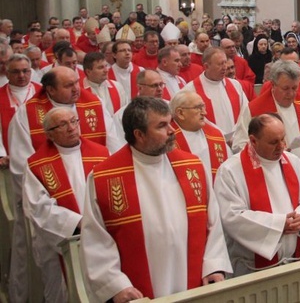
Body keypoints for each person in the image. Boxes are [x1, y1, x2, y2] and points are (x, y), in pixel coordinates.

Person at [80, 97, 232, 300]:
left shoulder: (192, 166)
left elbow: (213, 223)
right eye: (162, 126)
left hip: (195, 282)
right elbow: (96, 240)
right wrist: (115, 285)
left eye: (170, 122)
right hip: (138, 292)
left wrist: (213, 266)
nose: (172, 131)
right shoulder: (104, 177)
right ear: (139, 134)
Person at [6, 67, 114, 303]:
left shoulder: (93, 106)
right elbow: (22, 171)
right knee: (63, 289)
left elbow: (115, 156)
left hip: (103, 229)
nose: (77, 88)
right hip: (60, 234)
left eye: (77, 82)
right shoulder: (27, 116)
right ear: (50, 89)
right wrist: (77, 222)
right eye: (68, 85)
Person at [214, 113, 300, 274]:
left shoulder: (293, 161)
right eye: (273, 142)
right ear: (253, 140)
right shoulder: (230, 171)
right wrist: (279, 224)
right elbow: (232, 217)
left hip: (292, 260)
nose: (282, 146)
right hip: (251, 269)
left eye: (283, 139)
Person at [23, 107, 110, 303]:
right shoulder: (37, 164)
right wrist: (79, 222)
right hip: (65, 240)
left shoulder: (101, 153)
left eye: (74, 121)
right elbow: (39, 207)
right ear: (49, 134)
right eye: (63, 124)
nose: (71, 128)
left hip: (101, 235)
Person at [248, 60, 300, 173]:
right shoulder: (254, 110)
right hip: (271, 172)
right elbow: (240, 145)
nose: (291, 93)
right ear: (273, 85)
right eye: (285, 88)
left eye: (294, 88)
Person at [182, 47, 251, 152]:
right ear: (206, 66)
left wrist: (237, 136)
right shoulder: (191, 90)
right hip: (208, 145)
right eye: (220, 64)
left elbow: (245, 112)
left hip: (237, 142)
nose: (225, 67)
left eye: (225, 62)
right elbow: (195, 119)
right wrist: (221, 137)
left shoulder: (235, 85)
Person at [169, 91, 230, 182]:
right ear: (180, 113)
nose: (204, 113)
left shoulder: (216, 135)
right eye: (198, 108)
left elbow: (228, 168)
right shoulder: (168, 140)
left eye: (203, 106)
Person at [0, 54, 39, 163]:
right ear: (7, 74)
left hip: (41, 154)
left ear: (30, 72)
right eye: (16, 72)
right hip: (9, 158)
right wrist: (1, 155)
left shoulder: (43, 93)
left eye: (25, 71)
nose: (21, 75)